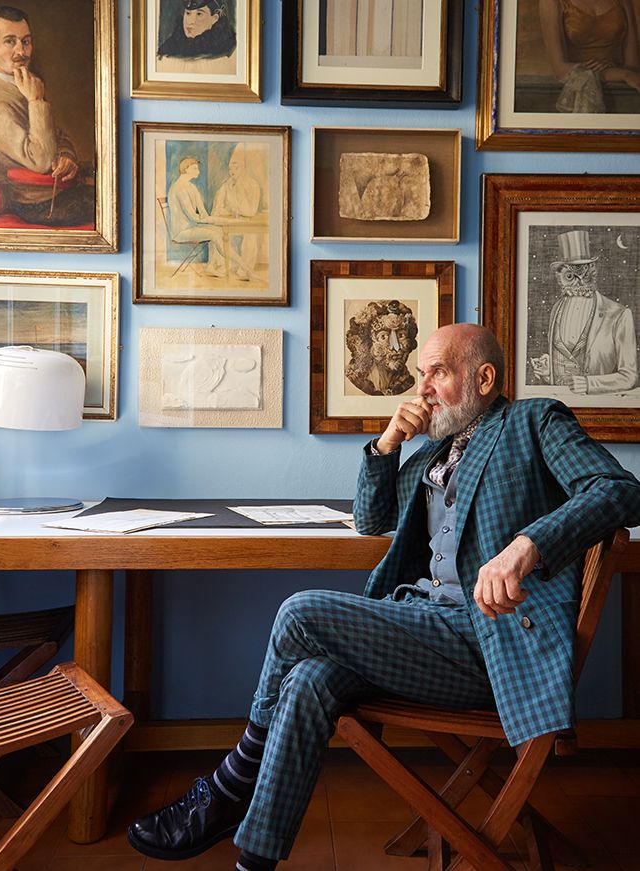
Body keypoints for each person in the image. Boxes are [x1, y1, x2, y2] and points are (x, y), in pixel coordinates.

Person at [127, 323, 640, 871]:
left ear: (484, 378)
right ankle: (253, 862)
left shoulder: (534, 422)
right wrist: (386, 444)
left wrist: (527, 545)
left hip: (490, 646)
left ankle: (230, 785)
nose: (423, 388)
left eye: (438, 372)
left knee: (300, 612)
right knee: (308, 679)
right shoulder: (434, 450)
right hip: (423, 627)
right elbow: (371, 521)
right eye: (421, 374)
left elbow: (620, 490)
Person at [0, 5, 94, 227]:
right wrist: (36, 101)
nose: (22, 51)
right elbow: (42, 161)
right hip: (36, 203)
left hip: (60, 191)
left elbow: (57, 136)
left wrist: (67, 156)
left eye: (26, 41)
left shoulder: (22, 83)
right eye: (10, 41)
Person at [529, 229, 638, 393]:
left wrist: (589, 384)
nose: (579, 281)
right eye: (570, 276)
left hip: (598, 404)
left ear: (593, 270)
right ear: (560, 276)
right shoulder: (556, 309)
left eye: (584, 274)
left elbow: (629, 377)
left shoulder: (619, 315)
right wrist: (550, 372)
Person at [539, 0, 640, 111]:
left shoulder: (624, 2)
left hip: (619, 90)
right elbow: (560, 69)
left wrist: (624, 73)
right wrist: (623, 75)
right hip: (577, 90)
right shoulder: (552, 2)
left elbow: (633, 66)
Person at [167, 155, 247, 278]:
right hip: (181, 232)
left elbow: (204, 214)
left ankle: (211, 266)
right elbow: (194, 217)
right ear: (186, 169)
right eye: (195, 168)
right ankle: (246, 268)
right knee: (215, 234)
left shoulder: (192, 187)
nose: (198, 172)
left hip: (193, 227)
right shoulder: (178, 188)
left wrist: (226, 221)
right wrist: (226, 220)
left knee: (220, 230)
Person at [210, 145, 262, 282]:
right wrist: (229, 211)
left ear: (243, 169)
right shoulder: (225, 185)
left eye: (236, 168)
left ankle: (244, 270)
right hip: (229, 222)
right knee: (219, 233)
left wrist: (237, 207)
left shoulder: (252, 185)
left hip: (247, 222)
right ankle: (223, 266)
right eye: (230, 169)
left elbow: (251, 211)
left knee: (250, 236)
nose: (232, 171)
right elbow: (217, 208)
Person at [345, 299, 418, 396]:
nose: (395, 347)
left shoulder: (407, 382)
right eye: (383, 337)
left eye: (401, 335)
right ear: (370, 343)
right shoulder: (358, 379)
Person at [158, 0, 236, 61]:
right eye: (188, 13)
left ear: (214, 19)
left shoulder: (227, 48)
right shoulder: (169, 47)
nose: (191, 21)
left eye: (199, 14)